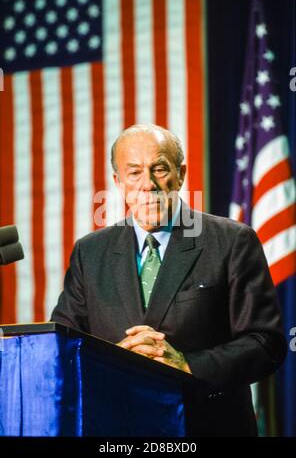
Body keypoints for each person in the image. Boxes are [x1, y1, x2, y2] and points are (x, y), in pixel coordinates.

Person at [51, 124, 287, 436]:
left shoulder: (231, 241)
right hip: (118, 428)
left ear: (181, 174)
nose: (148, 184)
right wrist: (115, 360)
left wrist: (186, 364)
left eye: (159, 169)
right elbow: (63, 346)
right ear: (117, 181)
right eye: (134, 172)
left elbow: (265, 343)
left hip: (209, 425)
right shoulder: (90, 252)